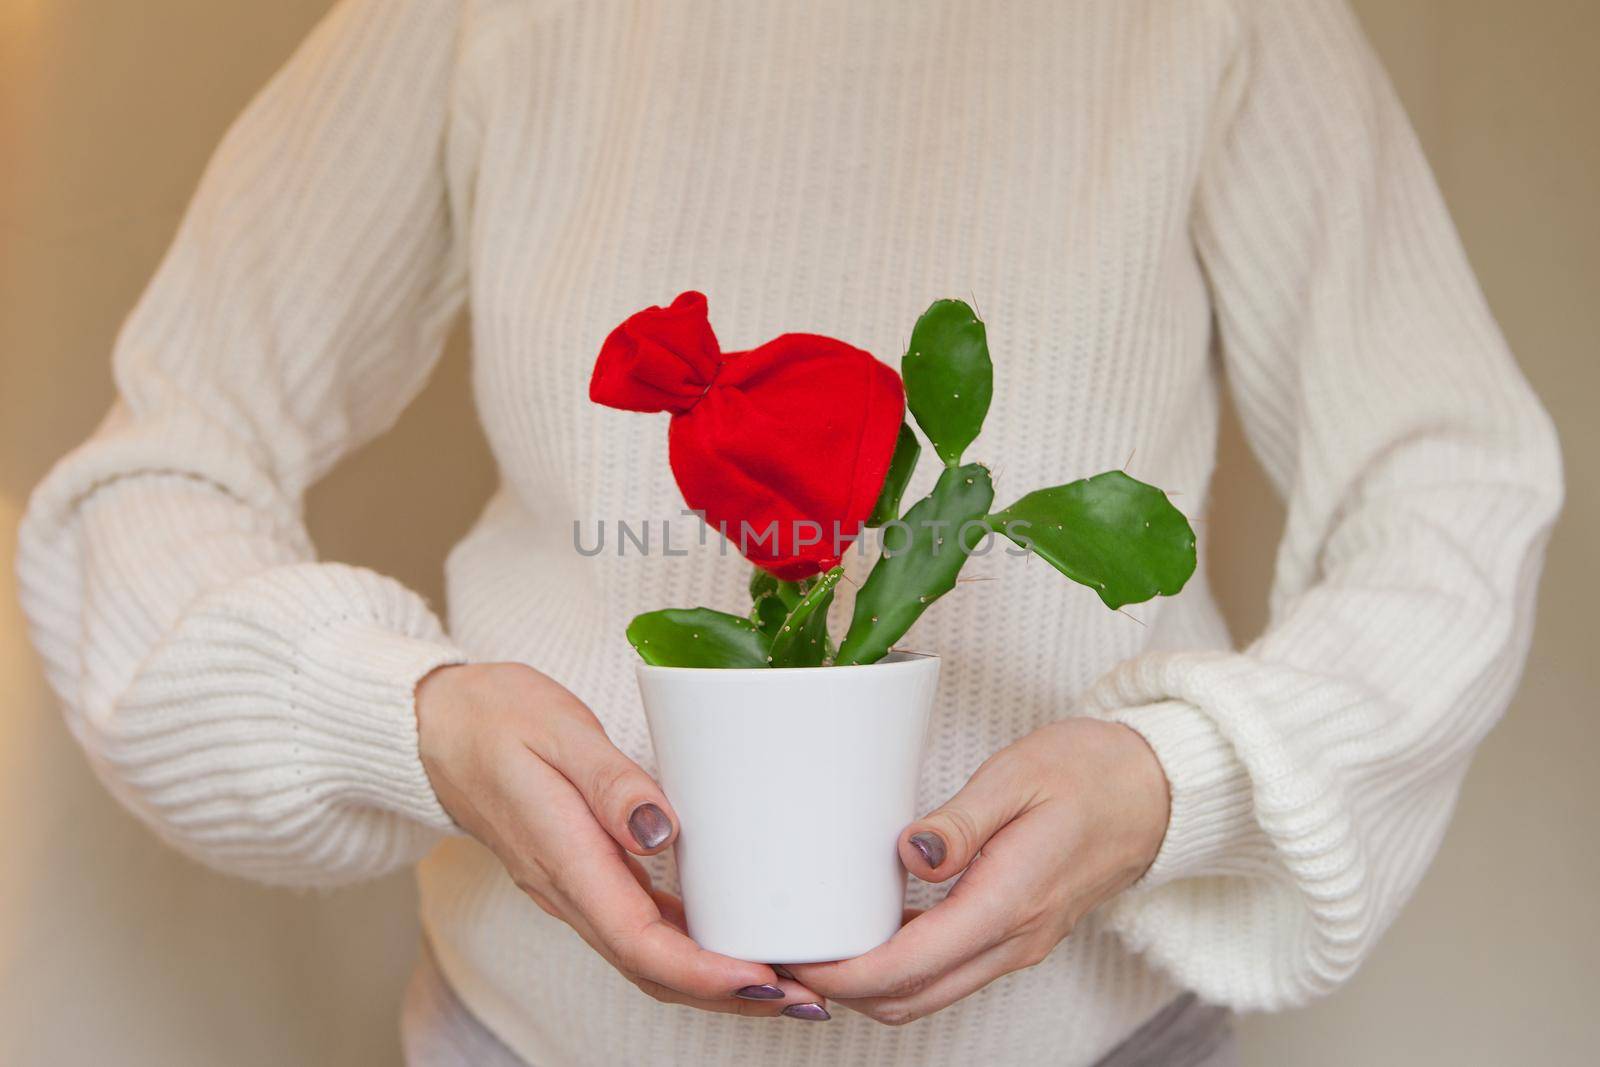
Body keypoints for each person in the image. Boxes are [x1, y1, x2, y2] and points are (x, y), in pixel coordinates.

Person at [16, 0, 1562, 1064]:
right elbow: (147, 487)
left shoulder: (1215, 20)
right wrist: (409, 720)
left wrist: (1184, 781)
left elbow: (1451, 487)